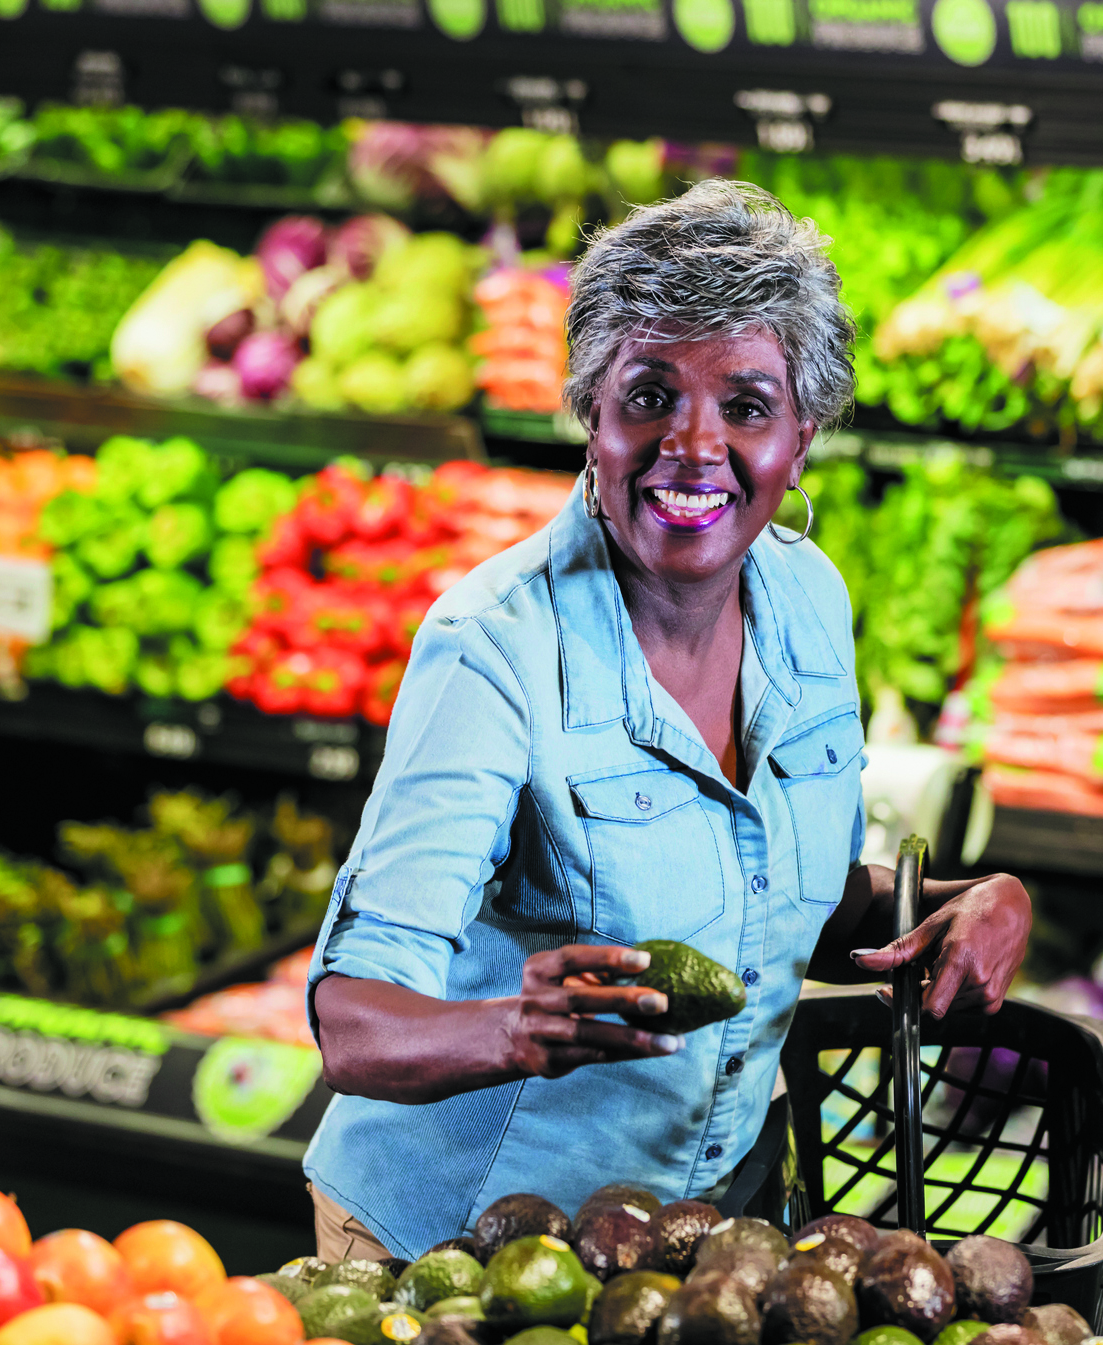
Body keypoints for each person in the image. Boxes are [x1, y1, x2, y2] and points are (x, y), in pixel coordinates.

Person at [304, 179, 1033, 1258]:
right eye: (650, 395)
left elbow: (780, 908)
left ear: (802, 435)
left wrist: (972, 901)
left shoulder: (809, 601)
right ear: (590, 413)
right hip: (463, 1258)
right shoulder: (497, 647)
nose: (693, 444)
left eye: (745, 405)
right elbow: (354, 1022)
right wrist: (516, 1025)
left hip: (698, 1244)